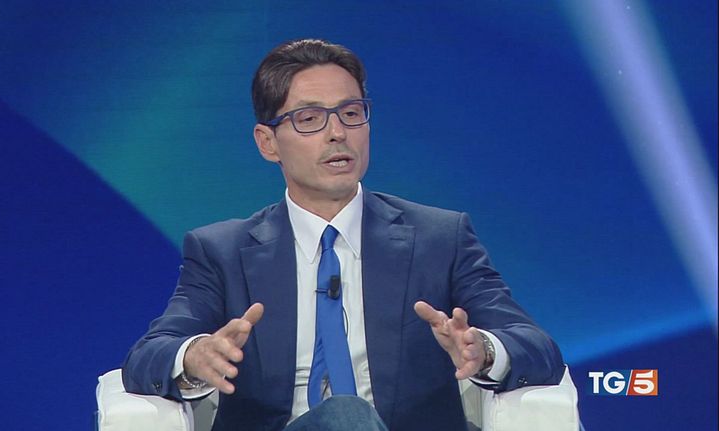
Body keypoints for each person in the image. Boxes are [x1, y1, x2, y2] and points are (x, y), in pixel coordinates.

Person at [122, 38, 565, 431]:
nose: (338, 133)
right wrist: (195, 357)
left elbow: (537, 347)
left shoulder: (439, 239)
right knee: (345, 416)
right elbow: (147, 357)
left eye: (351, 114)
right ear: (267, 142)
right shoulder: (222, 252)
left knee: (349, 416)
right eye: (310, 118)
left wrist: (483, 350)